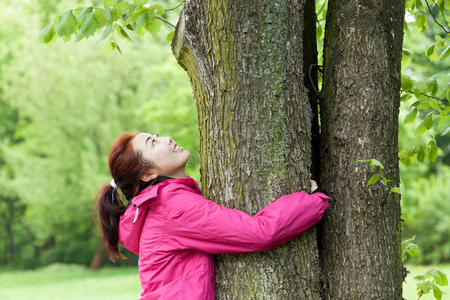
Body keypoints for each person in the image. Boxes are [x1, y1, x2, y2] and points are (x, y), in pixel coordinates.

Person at [96, 132, 330, 300]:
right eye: (153, 143)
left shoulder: (160, 206)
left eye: (157, 135)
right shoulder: (173, 207)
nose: (166, 139)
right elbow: (259, 232)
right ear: (148, 173)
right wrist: (313, 200)